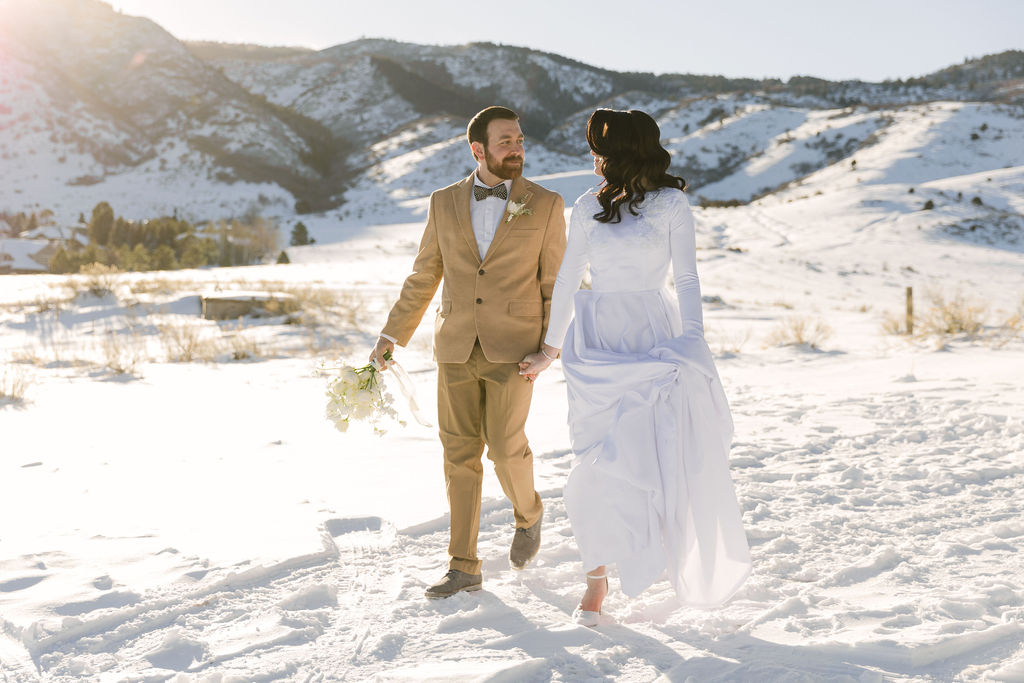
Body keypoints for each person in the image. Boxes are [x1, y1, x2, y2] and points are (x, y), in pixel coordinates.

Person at [519, 109, 751, 626]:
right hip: (596, 338)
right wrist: (550, 349)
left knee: (651, 456)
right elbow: (565, 281)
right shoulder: (584, 206)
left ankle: (654, 554)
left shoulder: (672, 203)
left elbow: (687, 279)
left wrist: (692, 340)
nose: (593, 157)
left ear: (620, 150)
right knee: (594, 462)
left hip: (653, 334)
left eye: (598, 146)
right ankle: (596, 579)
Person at [370, 106, 567, 599]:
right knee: (459, 455)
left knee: (504, 447)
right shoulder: (442, 202)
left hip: (515, 349)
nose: (516, 148)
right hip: (455, 346)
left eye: (520, 139)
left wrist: (551, 348)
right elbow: (424, 274)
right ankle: (464, 565)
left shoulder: (545, 204)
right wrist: (392, 336)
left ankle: (530, 513)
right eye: (505, 141)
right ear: (477, 149)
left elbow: (555, 284)